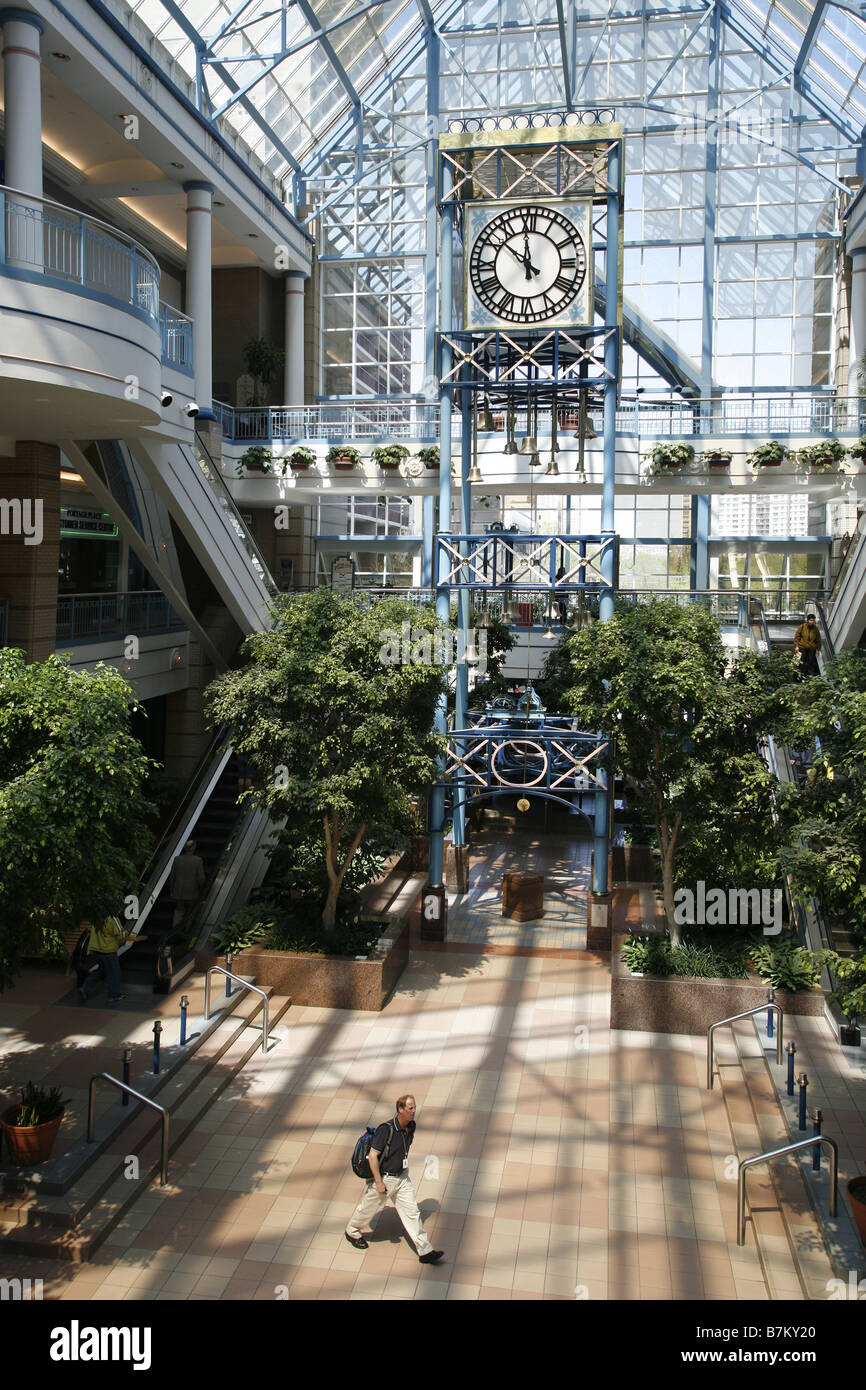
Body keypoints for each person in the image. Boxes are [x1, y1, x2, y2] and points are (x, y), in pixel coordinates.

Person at [345, 1094, 444, 1264]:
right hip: (385, 1178)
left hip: (402, 1177)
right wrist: (378, 1182)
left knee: (412, 1212)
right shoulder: (386, 1130)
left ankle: (425, 1251)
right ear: (400, 1109)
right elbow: (373, 1156)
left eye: (414, 1107)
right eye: (410, 1108)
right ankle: (352, 1231)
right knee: (368, 1208)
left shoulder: (411, 1127)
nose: (414, 1111)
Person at [78, 915, 132, 1004]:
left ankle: (85, 987)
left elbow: (90, 930)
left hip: (96, 950)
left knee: (101, 970)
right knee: (114, 973)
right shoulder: (113, 918)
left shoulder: (96, 917)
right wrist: (127, 933)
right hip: (108, 951)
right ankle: (113, 995)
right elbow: (120, 935)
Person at [168, 839, 206, 933]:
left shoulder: (177, 859)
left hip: (178, 891)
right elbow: (201, 877)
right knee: (190, 911)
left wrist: (172, 890)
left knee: (179, 910)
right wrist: (201, 888)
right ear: (194, 848)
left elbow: (172, 876)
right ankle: (186, 929)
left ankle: (175, 929)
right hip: (192, 892)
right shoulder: (198, 860)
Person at [794, 613, 821, 678]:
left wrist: (818, 649)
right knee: (801, 662)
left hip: (812, 648)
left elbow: (818, 639)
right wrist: (797, 646)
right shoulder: (802, 626)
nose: (812, 622)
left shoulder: (815, 629)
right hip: (802, 647)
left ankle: (809, 676)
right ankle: (800, 676)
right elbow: (797, 636)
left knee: (810, 662)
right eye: (811, 620)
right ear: (808, 620)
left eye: (813, 620)